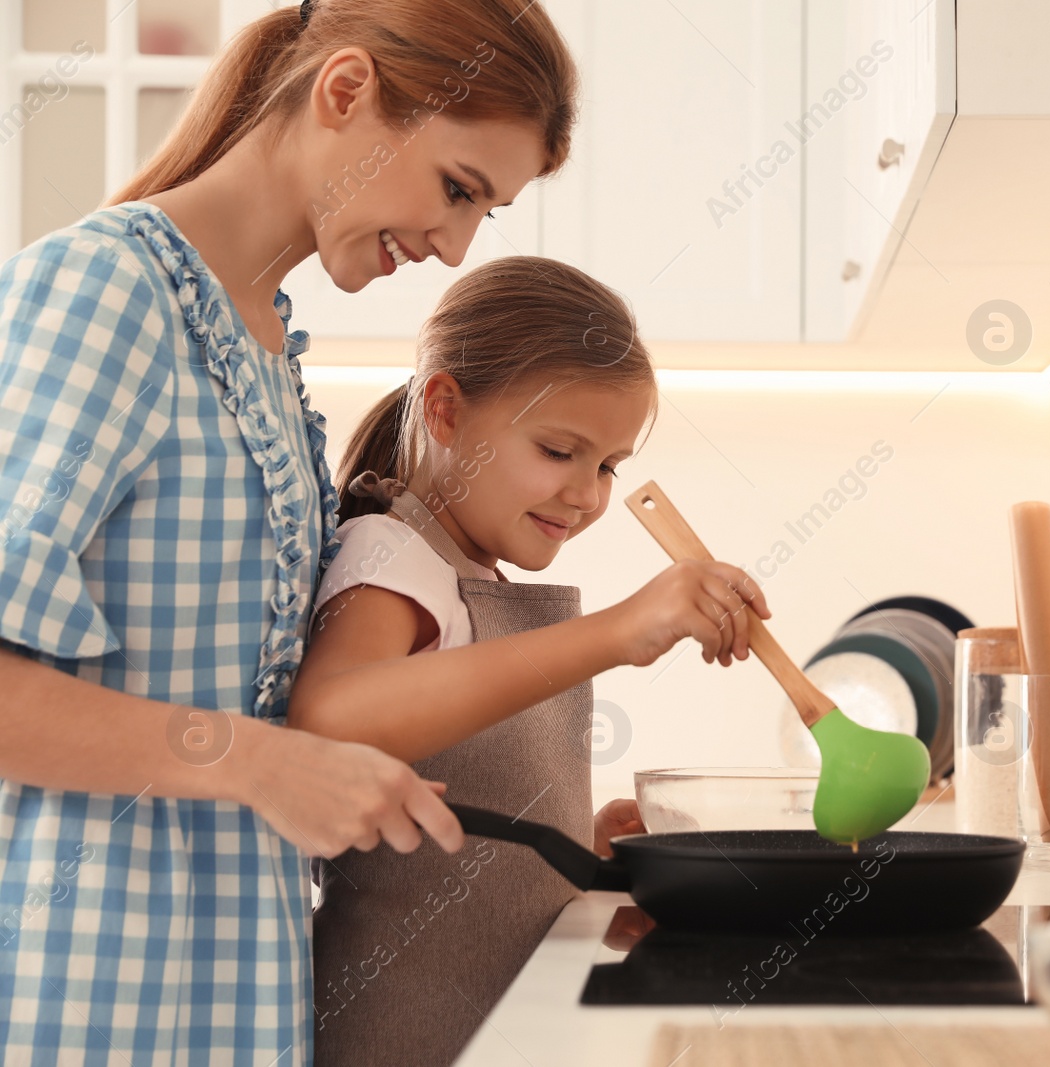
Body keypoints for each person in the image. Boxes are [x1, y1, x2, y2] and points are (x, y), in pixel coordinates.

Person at [0, 1, 583, 1061]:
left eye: (482, 214)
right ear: (345, 91)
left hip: (232, 988)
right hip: (84, 986)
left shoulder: (262, 349)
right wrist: (254, 761)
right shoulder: (104, 292)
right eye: (457, 187)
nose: (453, 247)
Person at [289, 255, 769, 1064]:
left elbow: (456, 800)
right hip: (401, 1034)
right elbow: (330, 720)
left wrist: (573, 839)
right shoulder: (390, 551)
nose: (587, 493)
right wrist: (620, 629)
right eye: (558, 450)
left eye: (609, 465)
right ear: (444, 410)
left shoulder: (472, 577)